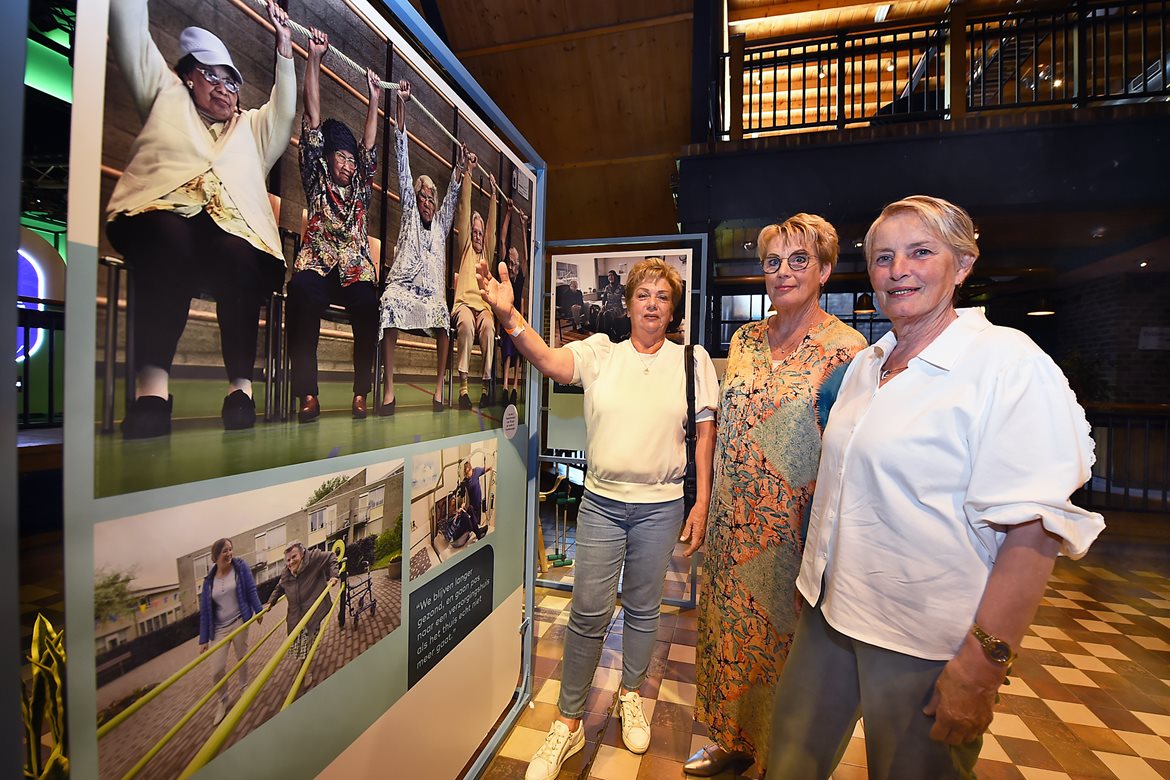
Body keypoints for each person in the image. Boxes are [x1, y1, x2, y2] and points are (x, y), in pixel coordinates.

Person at [768, 196, 1105, 779]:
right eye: (883, 257)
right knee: (788, 762)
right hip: (832, 618)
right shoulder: (868, 367)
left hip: (922, 639)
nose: (898, 270)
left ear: (963, 263)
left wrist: (982, 667)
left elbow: (1034, 530)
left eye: (920, 252)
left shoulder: (1005, 364)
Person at [476, 256, 718, 780]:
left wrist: (701, 501)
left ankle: (631, 693)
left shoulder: (691, 361)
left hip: (661, 505)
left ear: (673, 308)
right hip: (603, 505)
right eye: (644, 295)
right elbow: (548, 360)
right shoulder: (600, 353)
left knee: (644, 607)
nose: (653, 304)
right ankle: (567, 723)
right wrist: (509, 315)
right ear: (628, 304)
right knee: (587, 612)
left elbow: (704, 435)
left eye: (663, 297)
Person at [688, 215, 866, 777]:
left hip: (792, 534)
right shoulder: (743, 340)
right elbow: (719, 426)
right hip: (730, 528)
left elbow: (849, 453)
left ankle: (776, 758)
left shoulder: (847, 350)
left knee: (785, 653)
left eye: (799, 260)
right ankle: (730, 742)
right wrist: (704, 500)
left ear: (825, 270)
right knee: (727, 637)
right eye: (773, 261)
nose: (783, 272)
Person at [106, 0, 296, 438]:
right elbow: (131, 32)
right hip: (166, 214)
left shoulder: (251, 128)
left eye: (232, 81)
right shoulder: (164, 95)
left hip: (233, 231)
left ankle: (240, 390)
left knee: (240, 256)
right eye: (212, 75)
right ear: (188, 75)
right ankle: (151, 392)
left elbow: (284, 111)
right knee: (169, 239)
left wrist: (284, 45)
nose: (225, 88)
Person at [287, 29, 382, 423]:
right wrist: (314, 59)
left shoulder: (361, 185)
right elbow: (311, 117)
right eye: (339, 157)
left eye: (350, 158)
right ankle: (307, 394)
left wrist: (375, 97)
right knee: (301, 296)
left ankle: (361, 393)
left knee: (368, 305)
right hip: (317, 261)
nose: (347, 163)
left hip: (354, 267)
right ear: (328, 159)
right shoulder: (316, 177)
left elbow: (370, 143)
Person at [377, 81, 465, 415]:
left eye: (432, 197)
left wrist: (459, 167)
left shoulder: (441, 225)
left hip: (430, 298)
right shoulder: (410, 213)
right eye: (423, 195)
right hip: (403, 287)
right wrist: (401, 106)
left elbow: (454, 193)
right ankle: (388, 389)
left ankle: (440, 387)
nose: (427, 201)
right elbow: (402, 160)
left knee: (443, 319)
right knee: (388, 307)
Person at [450, 152, 498, 410]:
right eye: (475, 231)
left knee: (489, 329)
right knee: (466, 325)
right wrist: (468, 172)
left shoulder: (486, 255)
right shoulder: (466, 247)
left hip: (484, 308)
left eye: (480, 233)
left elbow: (491, 227)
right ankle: (464, 389)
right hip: (464, 306)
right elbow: (464, 207)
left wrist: (493, 195)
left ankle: (487, 385)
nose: (478, 235)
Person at [198, 538, 264, 725]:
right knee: (216, 670)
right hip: (219, 629)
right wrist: (203, 639)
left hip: (239, 621)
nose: (229, 554)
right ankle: (223, 699)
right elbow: (205, 612)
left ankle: (244, 689)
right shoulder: (208, 581)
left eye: (230, 550)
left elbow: (251, 589)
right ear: (215, 556)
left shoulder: (240, 567)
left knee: (242, 657)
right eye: (224, 551)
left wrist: (258, 610)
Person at [265, 541, 340, 663]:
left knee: (306, 641)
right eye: (288, 560)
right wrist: (270, 602)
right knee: (298, 644)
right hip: (295, 615)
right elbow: (279, 587)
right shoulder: (286, 573)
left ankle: (304, 670)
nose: (291, 562)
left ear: (303, 554)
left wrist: (334, 575)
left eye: (294, 557)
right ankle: (305, 660)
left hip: (312, 610)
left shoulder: (313, 559)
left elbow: (331, 556)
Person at [499, 223, 527, 405]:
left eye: (512, 263)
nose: (510, 266)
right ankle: (505, 386)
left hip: (518, 319)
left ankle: (515, 385)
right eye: (508, 262)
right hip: (505, 319)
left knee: (519, 347)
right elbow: (502, 241)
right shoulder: (504, 278)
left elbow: (525, 256)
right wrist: (509, 216)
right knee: (508, 348)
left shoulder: (520, 278)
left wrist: (523, 226)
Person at [461, 459, 493, 538]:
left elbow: (485, 469)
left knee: (477, 522)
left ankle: (478, 532)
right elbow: (462, 495)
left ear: (471, 469)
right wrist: (463, 504)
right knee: (471, 510)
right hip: (471, 505)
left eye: (468, 474)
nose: (467, 476)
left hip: (478, 503)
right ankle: (478, 533)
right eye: (466, 474)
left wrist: (491, 468)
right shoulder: (465, 481)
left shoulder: (477, 471)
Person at [598, 269, 627, 339]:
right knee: (600, 314)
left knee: (606, 314)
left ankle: (607, 335)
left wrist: (628, 305)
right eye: (608, 276)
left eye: (611, 275)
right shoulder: (607, 287)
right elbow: (604, 298)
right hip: (608, 306)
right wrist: (603, 305)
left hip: (617, 308)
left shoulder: (621, 287)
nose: (610, 277)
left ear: (615, 276)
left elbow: (627, 296)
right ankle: (599, 334)